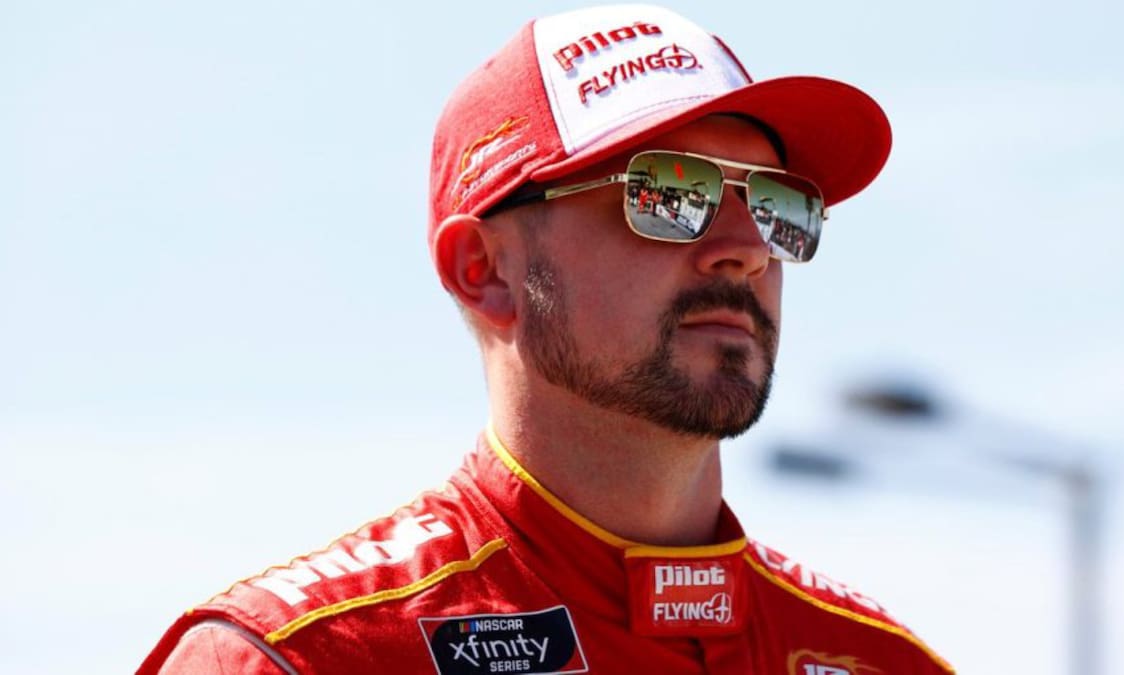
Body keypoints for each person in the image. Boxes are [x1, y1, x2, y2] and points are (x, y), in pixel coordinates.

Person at [139, 5, 954, 674]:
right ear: (484, 271)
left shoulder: (889, 661)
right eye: (669, 192)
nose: (745, 248)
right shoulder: (293, 658)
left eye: (779, 204)